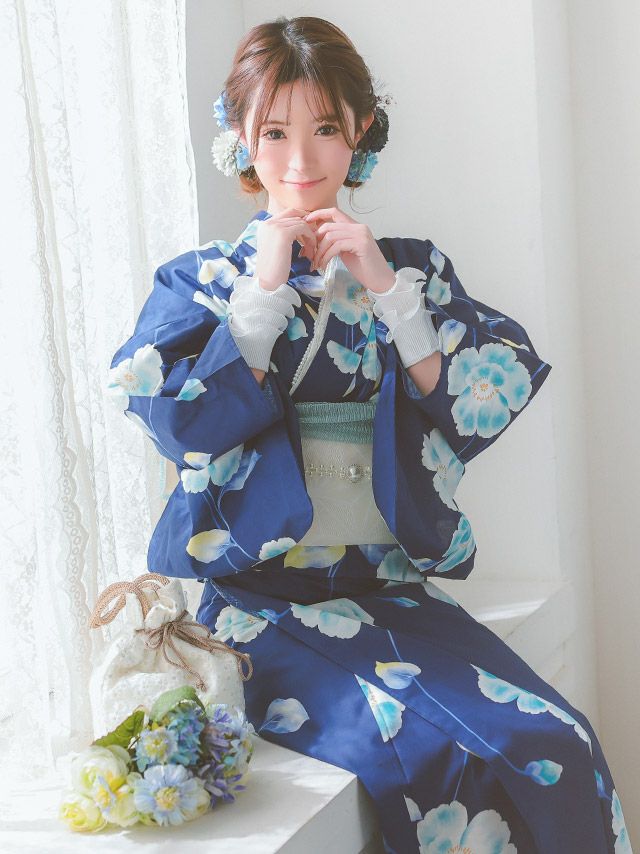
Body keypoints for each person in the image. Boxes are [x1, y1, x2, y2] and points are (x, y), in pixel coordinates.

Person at [107, 15, 631, 854]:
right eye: (274, 133)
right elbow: (178, 423)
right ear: (238, 138)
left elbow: (481, 401)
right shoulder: (202, 282)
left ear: (360, 131)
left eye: (325, 128)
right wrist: (261, 296)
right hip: (260, 607)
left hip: (387, 591)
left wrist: (389, 291)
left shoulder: (409, 269)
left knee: (556, 743)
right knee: (433, 756)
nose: (300, 158)